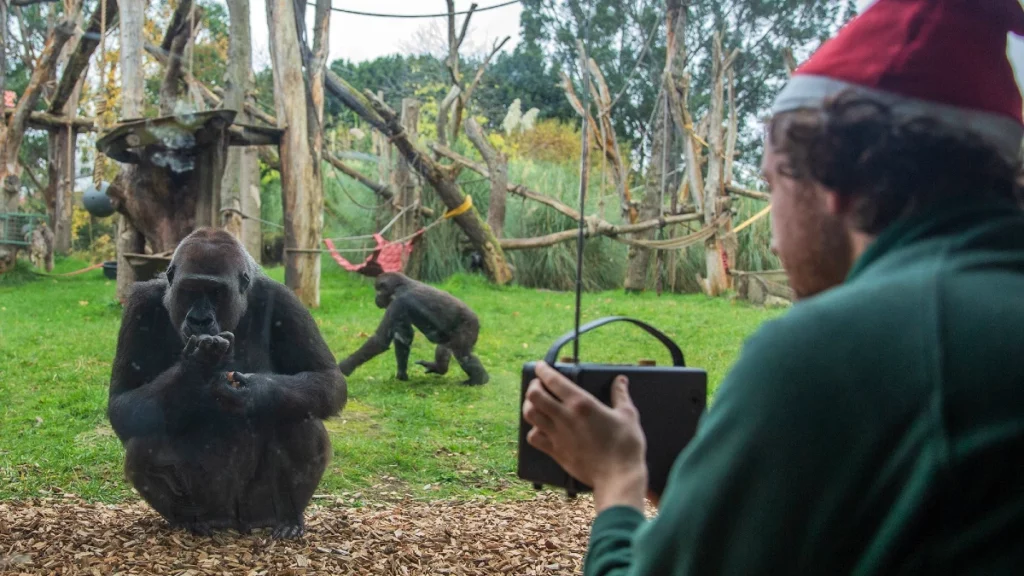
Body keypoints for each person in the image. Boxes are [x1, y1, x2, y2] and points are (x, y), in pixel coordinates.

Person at [522, 0, 1024, 574]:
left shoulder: (835, 353)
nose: (778, 243)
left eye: (771, 185)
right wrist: (710, 497)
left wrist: (618, 481)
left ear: (841, 178)